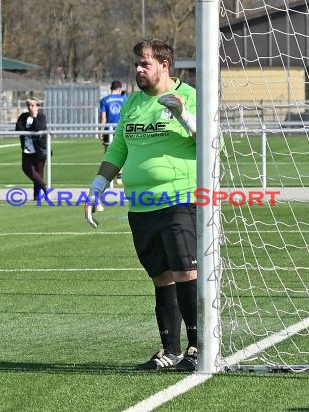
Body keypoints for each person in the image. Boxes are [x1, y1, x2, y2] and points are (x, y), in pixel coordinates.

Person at [85, 39, 198, 371]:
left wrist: (184, 115)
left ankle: (197, 348)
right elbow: (118, 149)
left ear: (164, 65)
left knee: (185, 271)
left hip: (180, 199)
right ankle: (171, 351)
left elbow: (209, 142)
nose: (137, 69)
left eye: (144, 64)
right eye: (135, 64)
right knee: (161, 277)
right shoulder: (132, 102)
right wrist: (96, 187)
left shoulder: (190, 96)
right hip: (141, 206)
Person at [15, 97, 49, 200]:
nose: (30, 107)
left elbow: (39, 128)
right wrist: (30, 129)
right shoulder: (23, 117)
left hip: (39, 149)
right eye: (29, 105)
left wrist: (34, 117)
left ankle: (37, 196)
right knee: (27, 169)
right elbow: (19, 128)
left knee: (39, 172)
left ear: (38, 106)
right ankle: (44, 186)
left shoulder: (41, 116)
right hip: (27, 149)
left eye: (33, 105)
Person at [99, 80, 128, 154]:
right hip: (121, 129)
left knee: (108, 153)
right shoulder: (125, 98)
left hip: (108, 129)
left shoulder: (105, 100)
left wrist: (101, 131)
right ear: (119, 89)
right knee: (122, 153)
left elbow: (103, 118)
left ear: (111, 88)